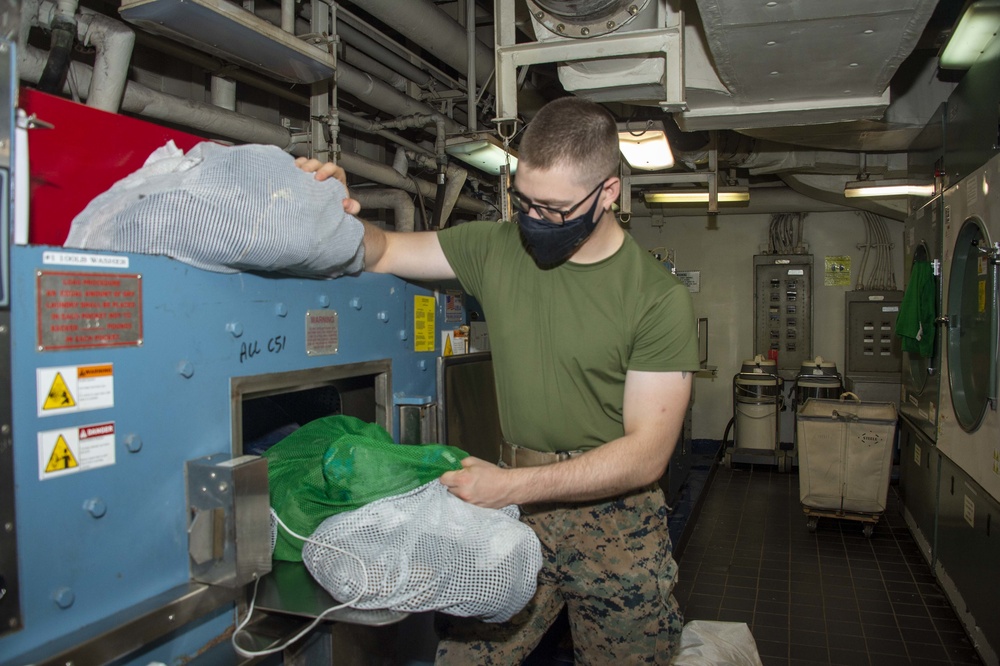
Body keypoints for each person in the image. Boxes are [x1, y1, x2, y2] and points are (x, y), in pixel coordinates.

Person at [298, 96, 699, 665]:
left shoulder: (656, 300)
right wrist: (325, 210)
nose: (535, 222)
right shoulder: (496, 247)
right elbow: (382, 249)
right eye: (525, 202)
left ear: (608, 192)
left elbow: (646, 455)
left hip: (615, 527)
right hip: (514, 509)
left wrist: (509, 488)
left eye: (556, 209)